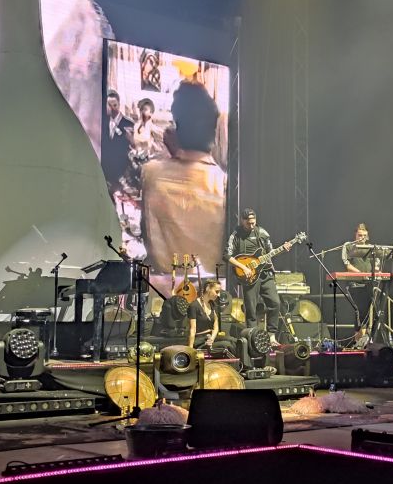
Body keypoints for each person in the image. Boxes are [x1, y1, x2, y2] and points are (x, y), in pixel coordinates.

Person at [140, 81, 227, 271]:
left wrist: (178, 151)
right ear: (213, 132)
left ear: (176, 127)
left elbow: (147, 235)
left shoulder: (151, 174)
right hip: (215, 287)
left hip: (161, 287)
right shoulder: (223, 183)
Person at [226, 208, 292, 344]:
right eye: (248, 223)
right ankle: (253, 338)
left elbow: (270, 251)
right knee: (251, 308)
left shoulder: (262, 233)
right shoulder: (235, 235)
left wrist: (283, 249)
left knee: (275, 303)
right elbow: (226, 255)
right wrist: (244, 267)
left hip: (265, 273)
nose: (251, 226)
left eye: (253, 222)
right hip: (249, 276)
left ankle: (271, 336)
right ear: (242, 221)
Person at [100, 89, 135, 190]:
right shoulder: (102, 122)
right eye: (109, 105)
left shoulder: (128, 123)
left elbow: (133, 146)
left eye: (114, 105)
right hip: (105, 171)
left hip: (122, 172)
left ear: (119, 104)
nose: (112, 108)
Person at [187, 280, 231, 349]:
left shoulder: (212, 304)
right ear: (208, 288)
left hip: (211, 337)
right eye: (216, 291)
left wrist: (212, 339)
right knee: (227, 345)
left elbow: (216, 327)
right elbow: (192, 329)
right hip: (200, 341)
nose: (218, 295)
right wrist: (190, 349)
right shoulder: (194, 306)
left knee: (233, 340)